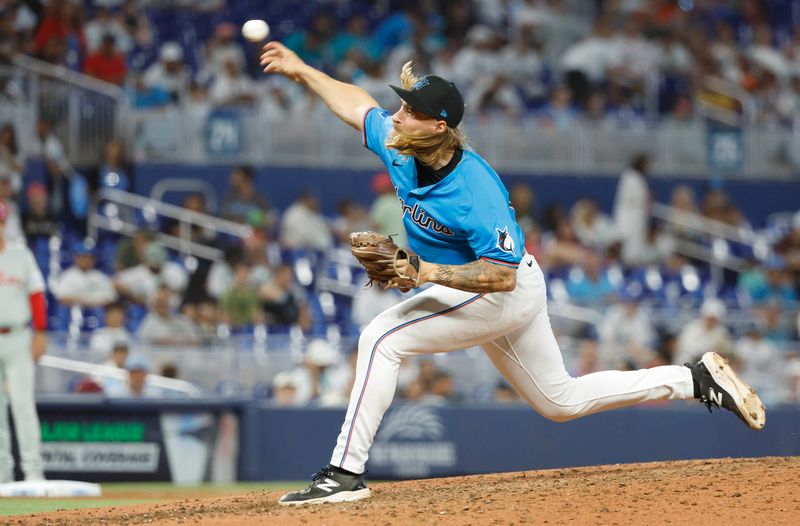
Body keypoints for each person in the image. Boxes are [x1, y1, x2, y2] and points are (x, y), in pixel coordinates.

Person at [260, 41, 765, 506]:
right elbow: (356, 105)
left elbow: (499, 277)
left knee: (380, 338)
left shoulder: (473, 188)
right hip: (488, 290)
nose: (396, 116)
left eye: (409, 112)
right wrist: (303, 70)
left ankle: (344, 474)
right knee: (559, 402)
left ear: (438, 127)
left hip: (502, 290)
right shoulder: (399, 143)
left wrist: (422, 269)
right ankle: (692, 379)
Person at [0, 201, 46, 482]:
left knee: (22, 404)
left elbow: (37, 295)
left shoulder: (20, 255)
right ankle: (2, 474)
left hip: (18, 336)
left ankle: (33, 472)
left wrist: (40, 332)